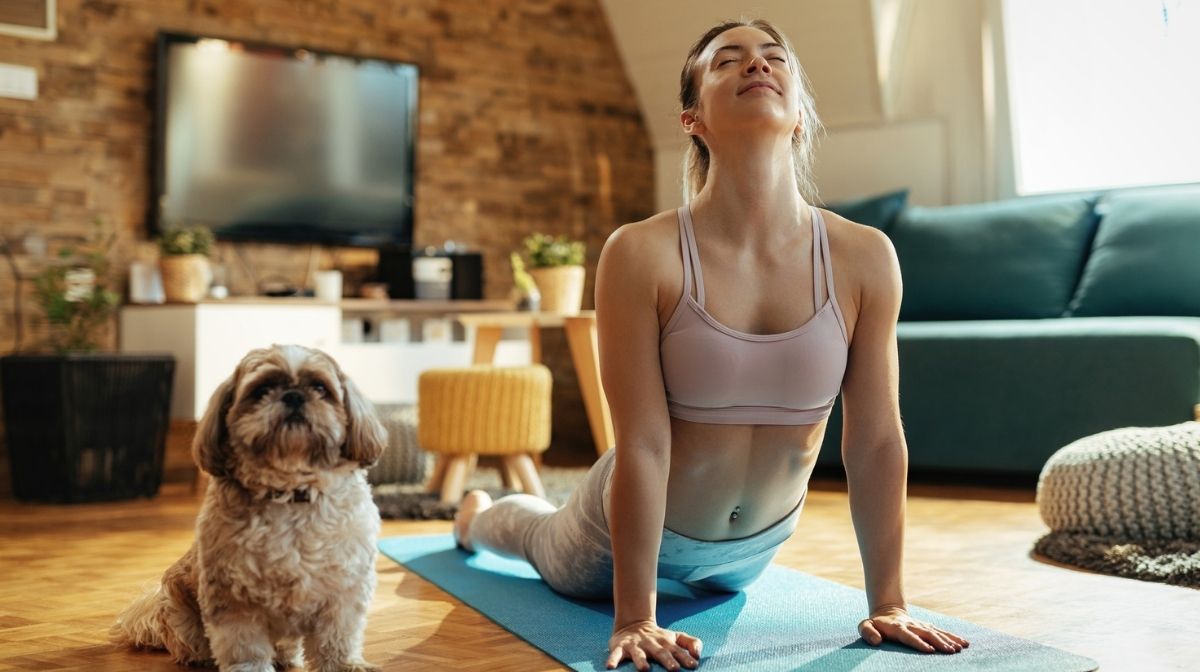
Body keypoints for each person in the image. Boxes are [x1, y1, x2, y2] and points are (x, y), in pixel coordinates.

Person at [452, 18, 970, 671]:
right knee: (537, 541)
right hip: (624, 530)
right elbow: (641, 440)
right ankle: (477, 517)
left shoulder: (864, 256)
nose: (757, 66)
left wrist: (889, 601)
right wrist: (636, 615)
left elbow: (875, 439)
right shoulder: (642, 252)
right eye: (729, 61)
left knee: (715, 577)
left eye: (773, 57)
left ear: (801, 115)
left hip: (750, 555)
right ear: (692, 117)